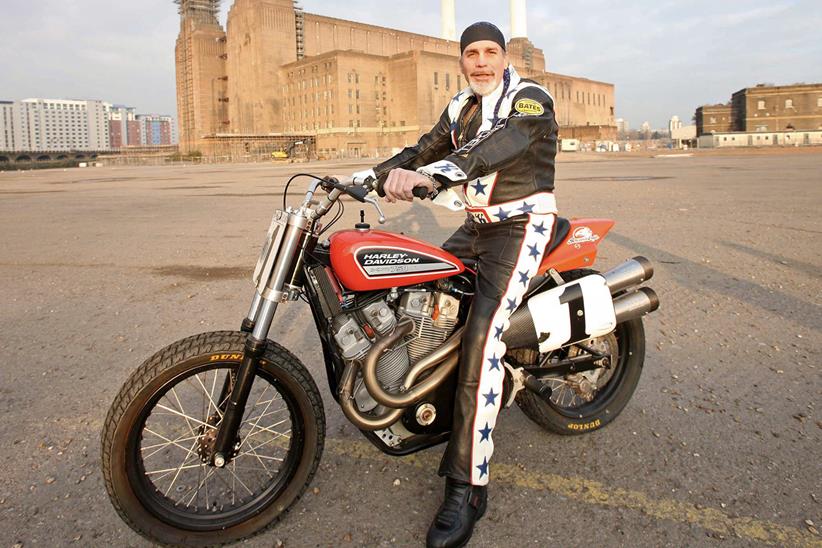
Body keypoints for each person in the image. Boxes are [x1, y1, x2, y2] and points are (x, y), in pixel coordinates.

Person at [354, 21, 559, 548]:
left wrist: (437, 175)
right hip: (476, 227)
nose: (482, 61)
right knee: (426, 303)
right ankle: (426, 396)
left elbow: (497, 147)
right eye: (472, 53)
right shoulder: (460, 107)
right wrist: (366, 177)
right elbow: (422, 148)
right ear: (461, 59)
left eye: (491, 51)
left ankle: (467, 487)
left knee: (480, 342)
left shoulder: (530, 98)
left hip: (521, 226)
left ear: (505, 55)